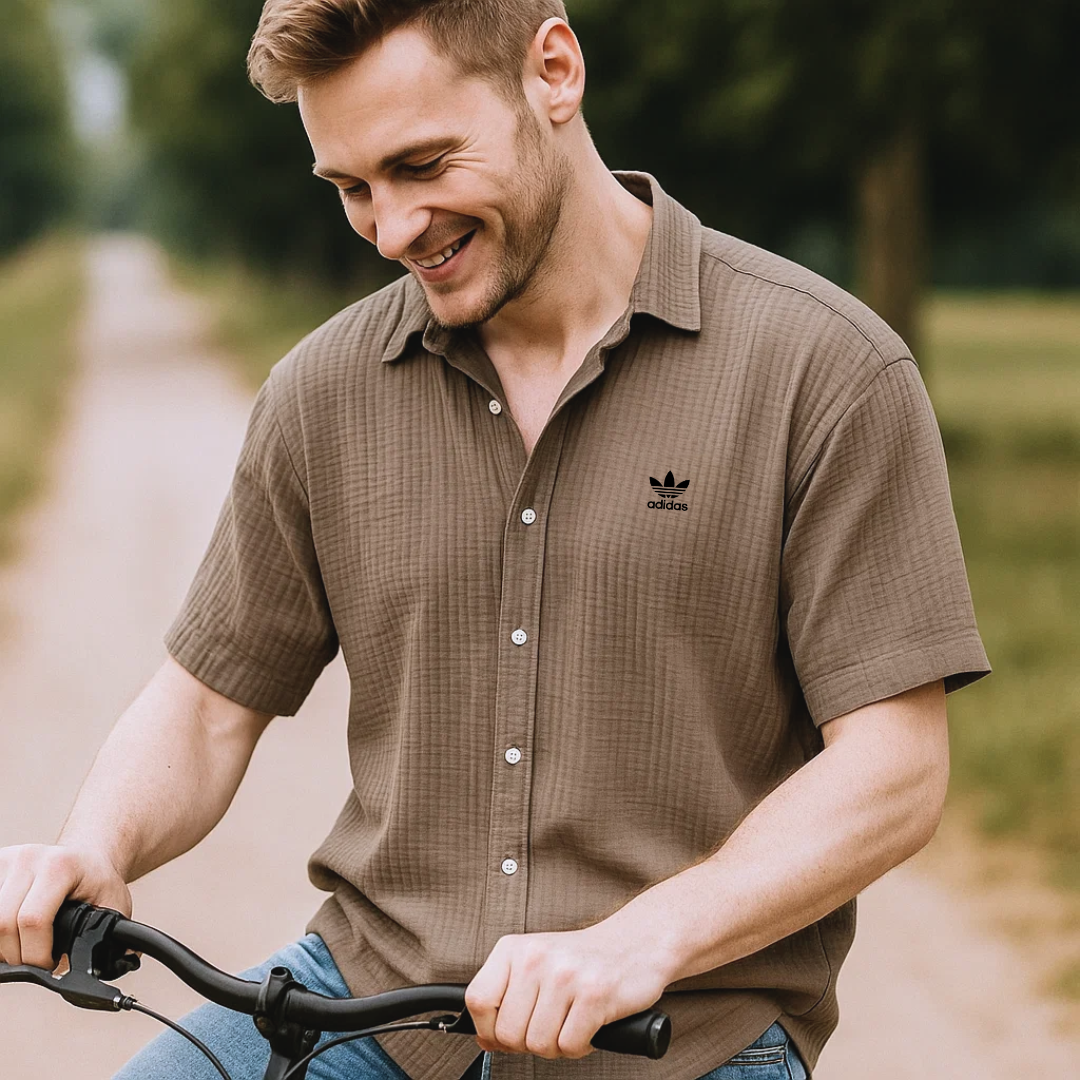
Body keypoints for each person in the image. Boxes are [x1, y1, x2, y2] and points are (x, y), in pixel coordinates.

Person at [0, 2, 991, 1078]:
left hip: (675, 1034)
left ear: (553, 72)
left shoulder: (829, 374)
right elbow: (206, 705)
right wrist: (95, 845)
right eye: (351, 189)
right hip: (367, 1006)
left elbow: (894, 769)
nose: (390, 228)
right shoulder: (320, 396)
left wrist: (632, 945)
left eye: (422, 163)